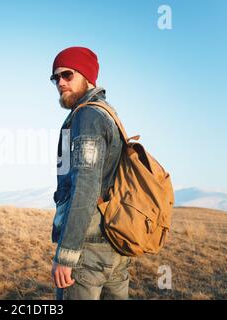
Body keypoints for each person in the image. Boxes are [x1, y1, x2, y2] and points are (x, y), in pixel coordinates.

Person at [50, 46, 131, 300]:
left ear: (88, 77)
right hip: (115, 247)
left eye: (67, 75)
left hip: (88, 253)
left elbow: (84, 187)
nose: (60, 83)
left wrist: (67, 254)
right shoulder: (109, 114)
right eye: (55, 78)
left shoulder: (88, 116)